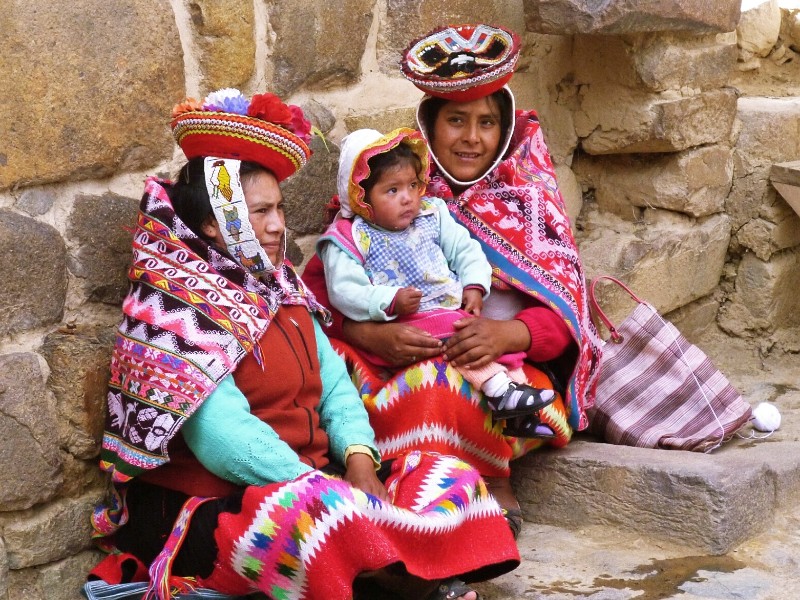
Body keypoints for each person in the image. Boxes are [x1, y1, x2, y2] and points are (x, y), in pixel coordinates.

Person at [86, 88, 520, 600]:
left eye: (279, 208)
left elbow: (335, 387)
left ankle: (391, 568)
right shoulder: (176, 313)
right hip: (217, 506)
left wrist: (359, 463)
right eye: (259, 212)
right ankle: (410, 578)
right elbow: (225, 439)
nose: (277, 226)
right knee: (323, 518)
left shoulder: (281, 292)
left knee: (445, 474)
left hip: (314, 482)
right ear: (212, 224)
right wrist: (326, 487)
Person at [303, 24, 603, 538]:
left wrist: (505, 335)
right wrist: (369, 334)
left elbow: (566, 317)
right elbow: (319, 296)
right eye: (456, 120)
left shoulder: (529, 200)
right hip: (399, 361)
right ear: (430, 125)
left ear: (504, 128)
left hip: (505, 368)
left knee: (455, 387)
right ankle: (424, 484)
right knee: (405, 384)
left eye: (487, 122)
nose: (471, 137)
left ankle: (487, 476)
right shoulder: (388, 191)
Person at [318, 126, 558, 427]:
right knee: (463, 339)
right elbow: (343, 289)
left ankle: (519, 412)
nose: (407, 198)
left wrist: (474, 284)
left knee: (489, 345)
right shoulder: (350, 237)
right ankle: (501, 392)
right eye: (392, 190)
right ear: (361, 197)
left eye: (412, 185)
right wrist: (389, 300)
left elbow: (465, 250)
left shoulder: (432, 214)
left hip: (448, 311)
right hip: (404, 326)